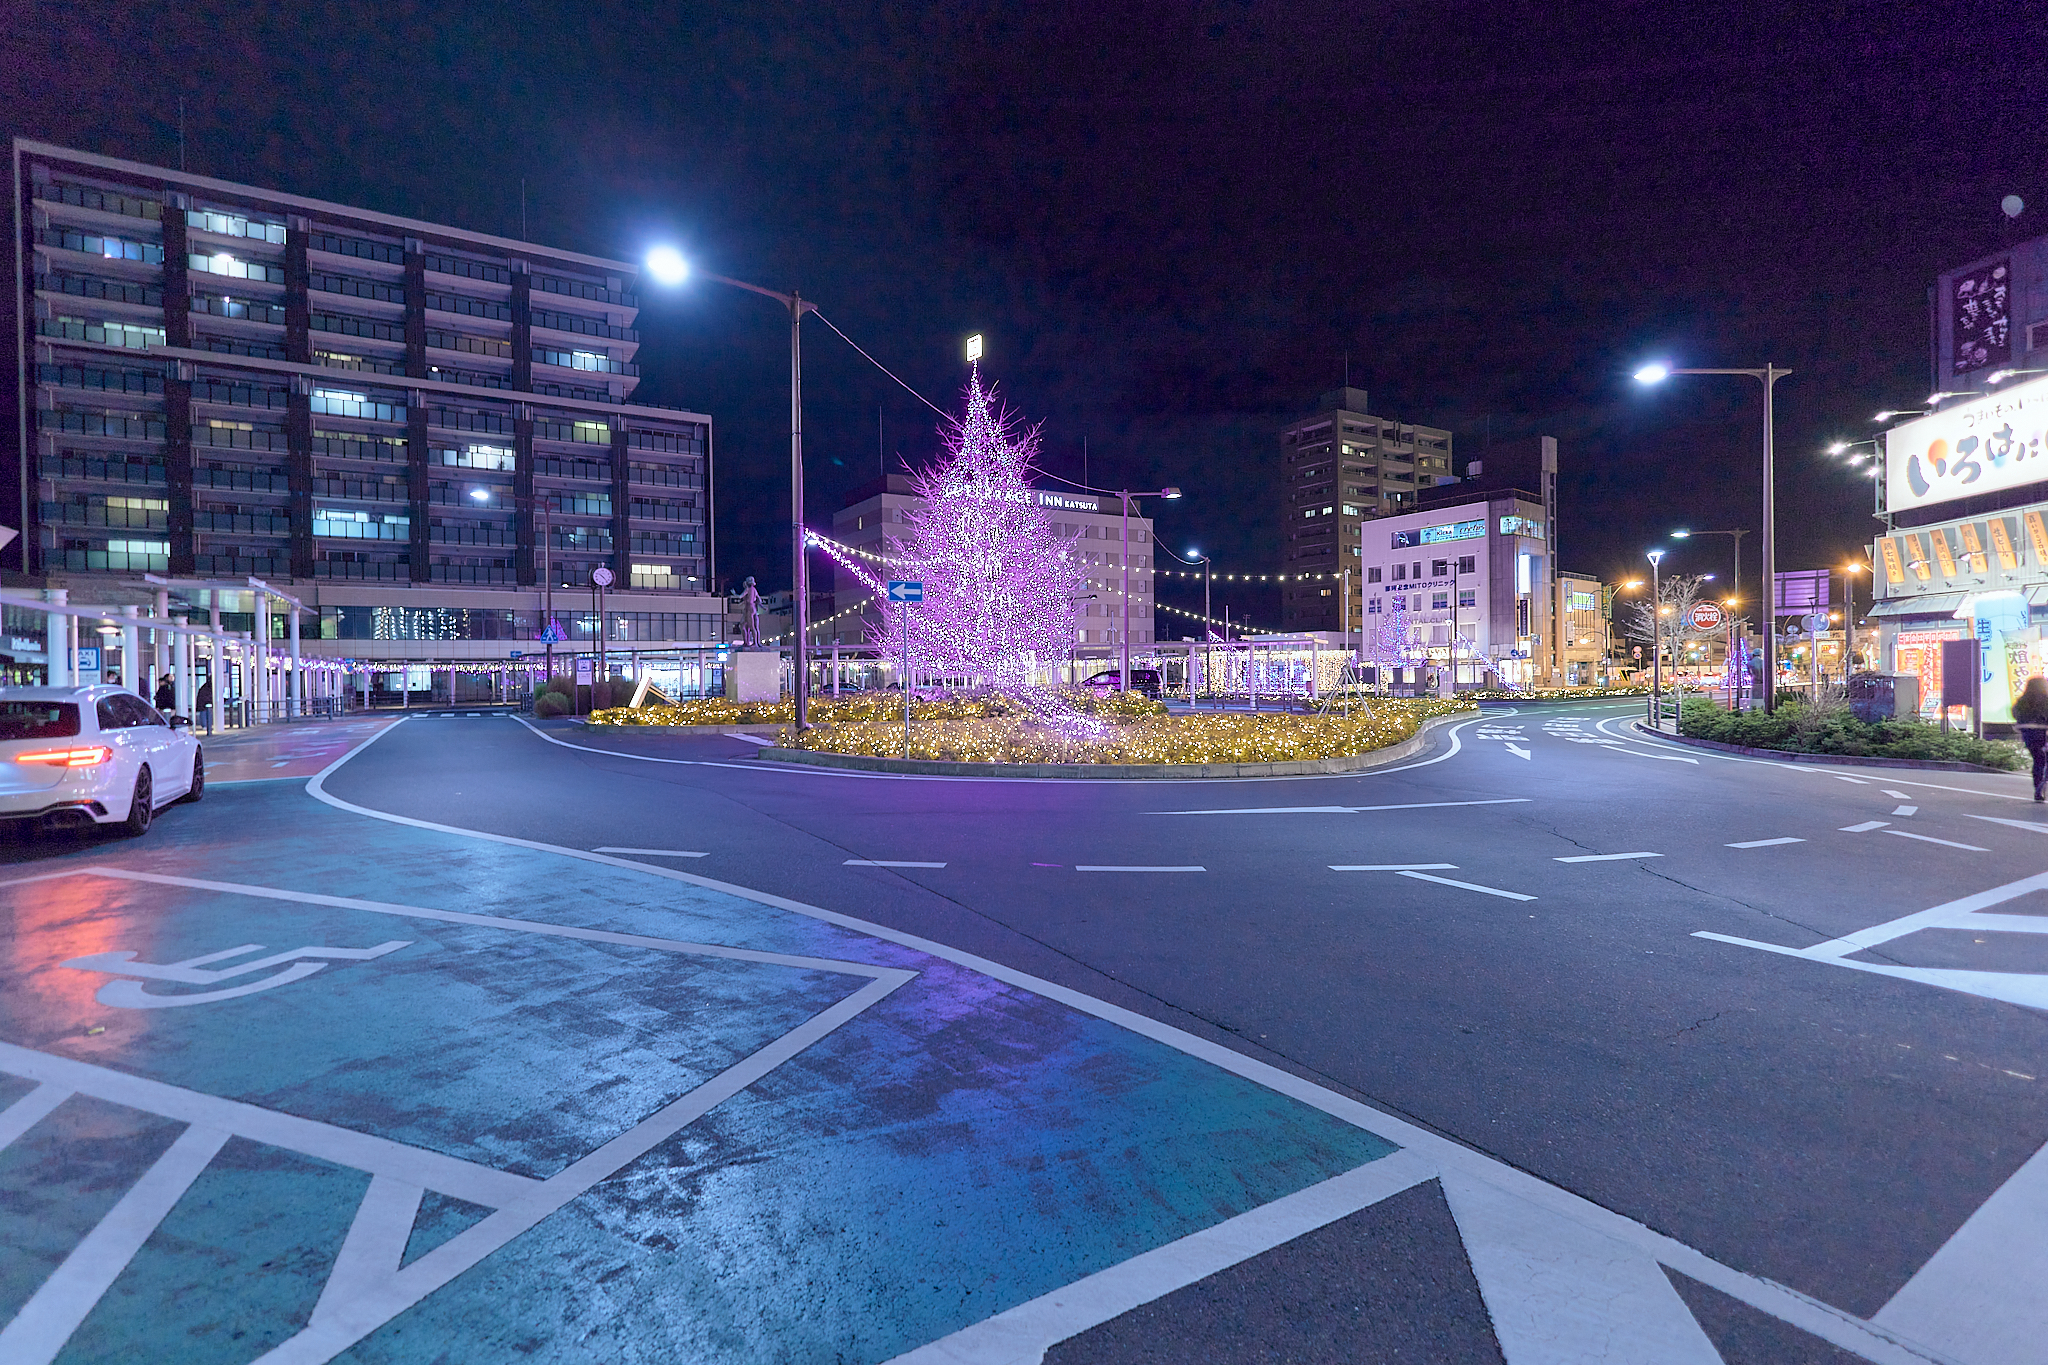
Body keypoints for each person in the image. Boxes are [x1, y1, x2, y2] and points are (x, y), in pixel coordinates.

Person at [2014, 674, 2048, 803]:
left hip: (2027, 732)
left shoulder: (2023, 700)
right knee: (2043, 760)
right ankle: (2041, 786)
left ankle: (2038, 787)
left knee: (2038, 760)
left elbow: (2015, 712)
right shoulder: (2045, 699)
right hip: (2043, 732)